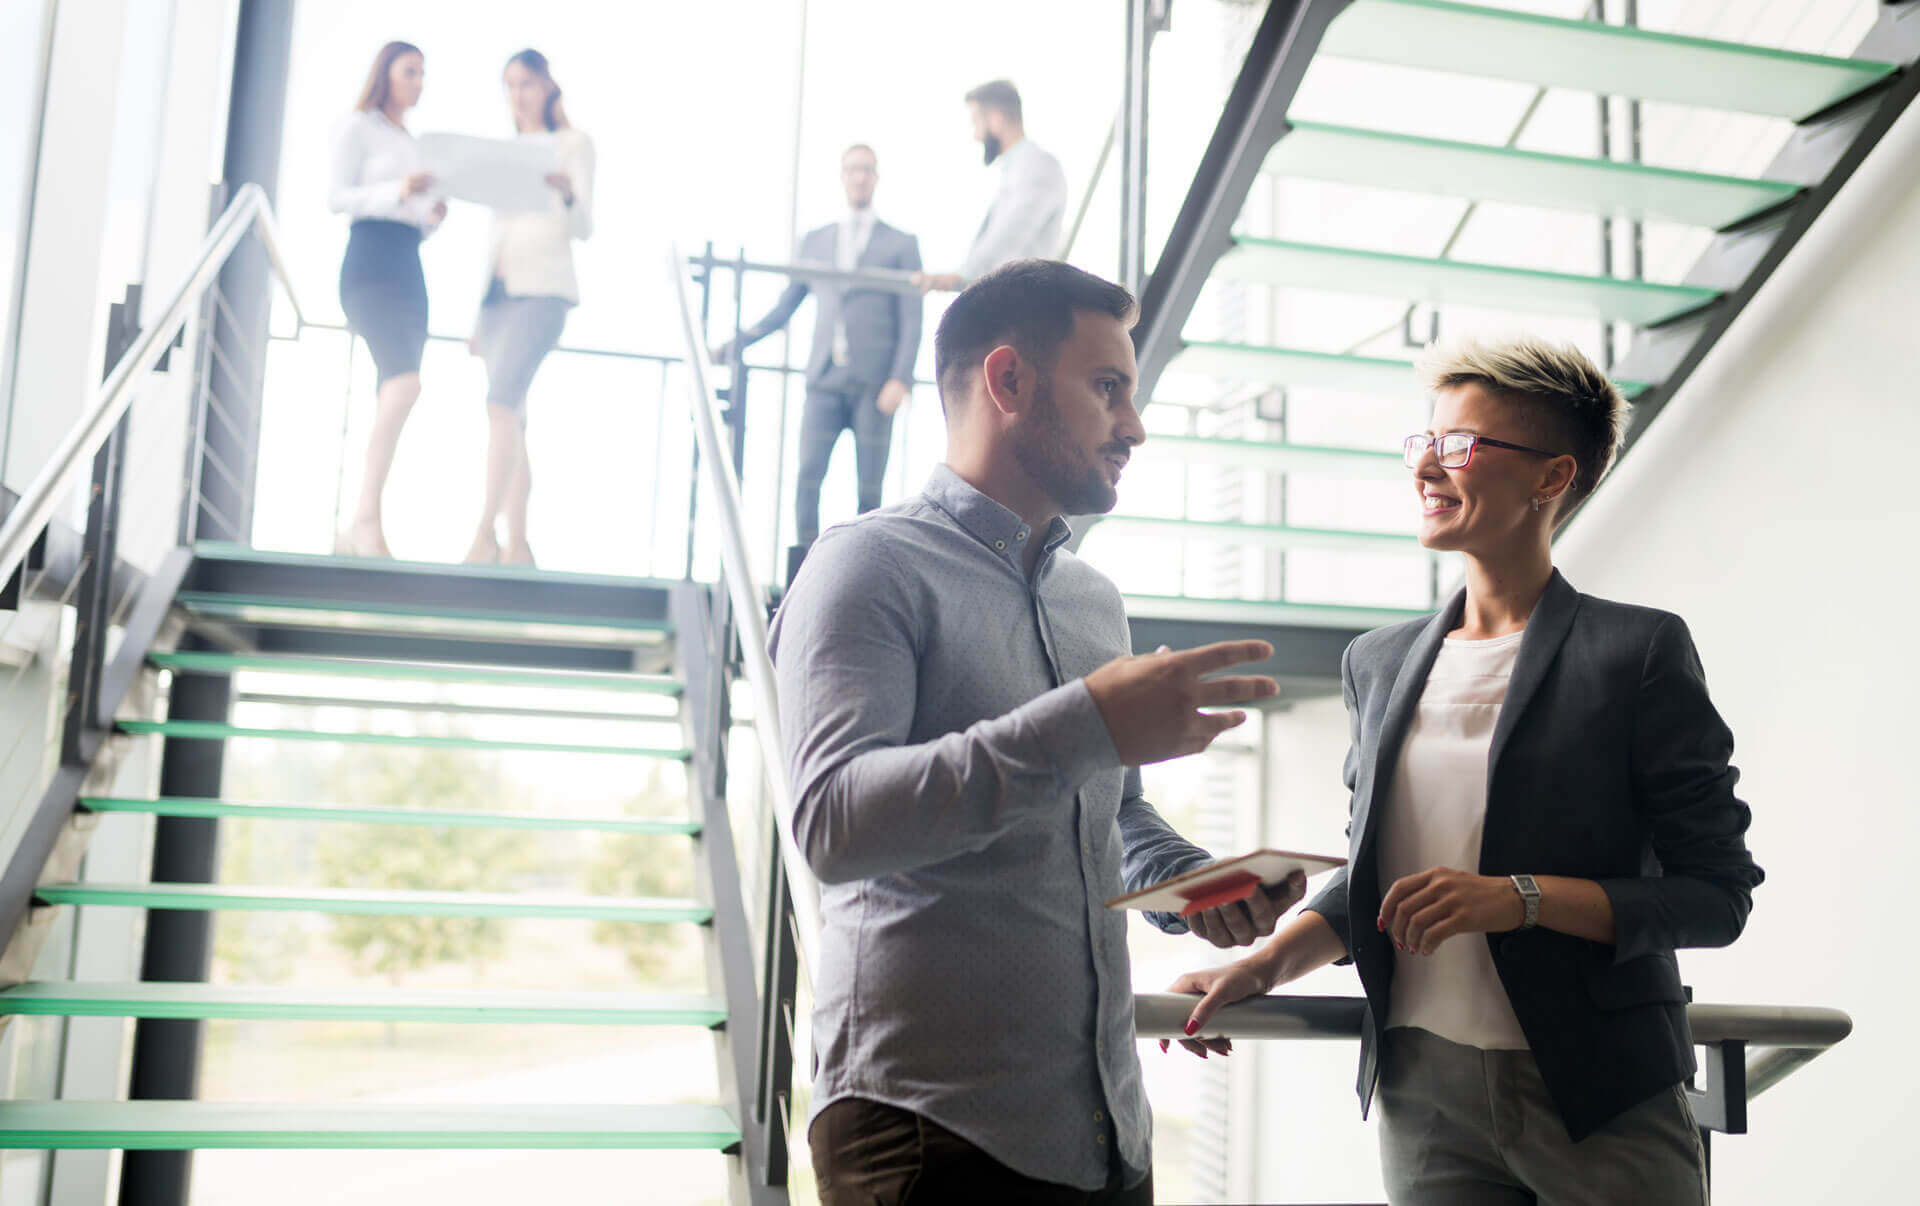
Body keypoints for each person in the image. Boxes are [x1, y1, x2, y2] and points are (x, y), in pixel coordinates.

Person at [1167, 334, 1764, 1204]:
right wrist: (1253, 970)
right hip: (1425, 1094)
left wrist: (1517, 898)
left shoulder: (1636, 651)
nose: (1427, 469)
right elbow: (1377, 885)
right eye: (1426, 443)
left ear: (1551, 479)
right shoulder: (1377, 661)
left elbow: (1717, 895)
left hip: (1601, 1095)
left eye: (1461, 447)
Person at [770, 259, 1308, 1205]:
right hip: (931, 1135)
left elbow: (1112, 816)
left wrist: (1192, 889)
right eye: (1107, 390)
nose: (1133, 426)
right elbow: (831, 826)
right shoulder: (863, 568)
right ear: (1008, 380)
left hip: (1105, 1136)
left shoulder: (1094, 602)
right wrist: (1086, 721)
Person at [714, 145, 921, 559]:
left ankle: (866, 567)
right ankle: (806, 565)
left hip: (874, 385)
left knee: (870, 489)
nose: (859, 177)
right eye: (852, 170)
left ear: (875, 178)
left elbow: (912, 318)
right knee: (808, 476)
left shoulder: (900, 243)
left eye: (866, 170)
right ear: (842, 177)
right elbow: (785, 307)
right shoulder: (816, 240)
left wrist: (900, 378)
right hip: (824, 381)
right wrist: (735, 344)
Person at [462, 49, 594, 567]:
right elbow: (496, 231)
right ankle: (519, 545)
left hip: (545, 292)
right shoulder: (507, 150)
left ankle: (483, 535)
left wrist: (565, 196)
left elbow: (585, 227)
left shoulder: (573, 145)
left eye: (528, 84)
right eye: (510, 85)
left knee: (501, 406)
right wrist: (478, 313)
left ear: (547, 86)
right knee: (511, 417)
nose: (519, 95)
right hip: (498, 297)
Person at [329, 40, 446, 558]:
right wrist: (399, 191)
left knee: (393, 392)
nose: (419, 81)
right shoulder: (359, 127)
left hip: (408, 264)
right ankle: (364, 521)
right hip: (370, 262)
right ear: (387, 74)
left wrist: (430, 217)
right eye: (410, 72)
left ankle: (361, 523)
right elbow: (336, 197)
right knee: (404, 385)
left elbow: (411, 219)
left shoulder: (416, 142)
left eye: (423, 73)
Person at [915, 81, 1068, 294]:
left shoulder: (1037, 165)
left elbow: (1013, 232)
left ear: (996, 120)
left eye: (976, 121)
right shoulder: (1016, 168)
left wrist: (963, 275)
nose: (975, 135)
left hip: (1027, 304)